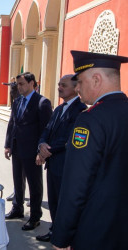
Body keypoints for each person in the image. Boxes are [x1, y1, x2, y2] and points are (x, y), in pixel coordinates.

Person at [51, 51, 128, 249]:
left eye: (80, 82)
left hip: (96, 231)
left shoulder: (90, 120)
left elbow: (76, 184)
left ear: (96, 79)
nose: (77, 88)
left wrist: (61, 236)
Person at [35, 75, 87, 242]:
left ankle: (63, 235)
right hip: (53, 163)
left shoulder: (81, 110)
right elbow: (47, 130)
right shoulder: (58, 108)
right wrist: (42, 144)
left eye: (63, 85)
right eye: (58, 84)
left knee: (65, 202)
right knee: (54, 200)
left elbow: (70, 138)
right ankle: (55, 230)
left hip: (65, 163)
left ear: (75, 87)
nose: (59, 87)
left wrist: (47, 151)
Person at [4, 72, 52, 230]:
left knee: (34, 184)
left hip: (32, 151)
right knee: (18, 181)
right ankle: (17, 209)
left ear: (33, 83)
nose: (19, 87)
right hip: (17, 148)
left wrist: (41, 151)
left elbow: (46, 129)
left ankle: (35, 216)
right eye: (18, 84)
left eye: (22, 83)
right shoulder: (17, 101)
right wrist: (8, 144)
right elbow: (12, 124)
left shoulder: (42, 103)